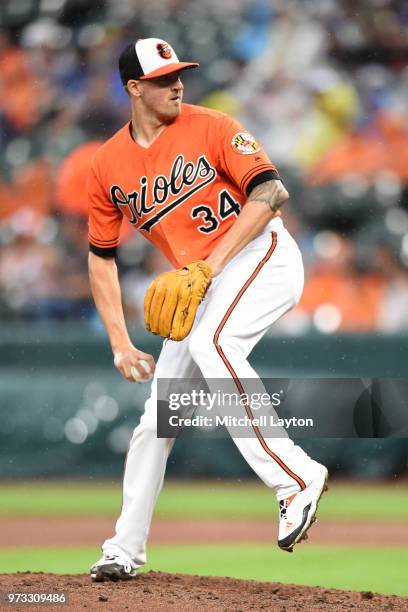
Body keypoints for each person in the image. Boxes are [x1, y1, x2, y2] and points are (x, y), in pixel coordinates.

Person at [88, 38, 328, 582]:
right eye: (163, 78)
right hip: (204, 284)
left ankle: (295, 477)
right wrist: (120, 342)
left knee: (213, 343)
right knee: (156, 422)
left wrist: (208, 268)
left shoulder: (212, 126)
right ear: (134, 88)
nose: (177, 83)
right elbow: (100, 259)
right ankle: (123, 550)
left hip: (260, 254)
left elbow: (271, 191)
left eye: (180, 74)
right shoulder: (107, 165)